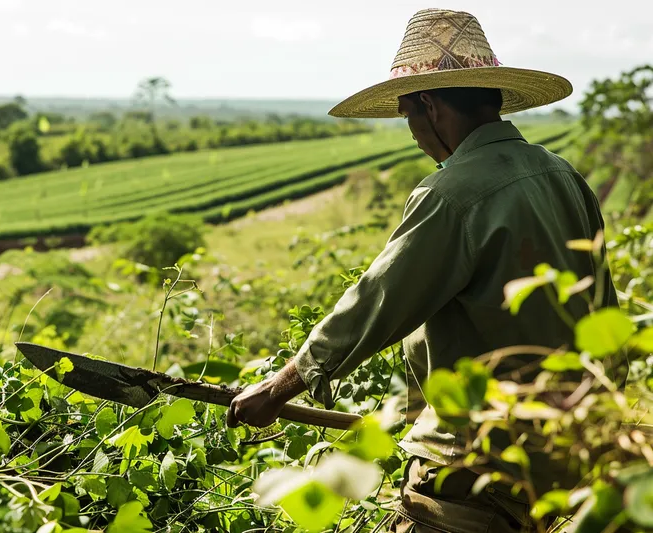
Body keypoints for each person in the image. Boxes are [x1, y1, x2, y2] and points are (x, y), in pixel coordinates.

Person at [226, 8, 618, 533]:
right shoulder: (562, 175)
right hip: (559, 459)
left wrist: (276, 389)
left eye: (408, 115)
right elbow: (604, 309)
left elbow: (378, 301)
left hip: (470, 469)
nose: (411, 133)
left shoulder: (451, 194)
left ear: (429, 106)